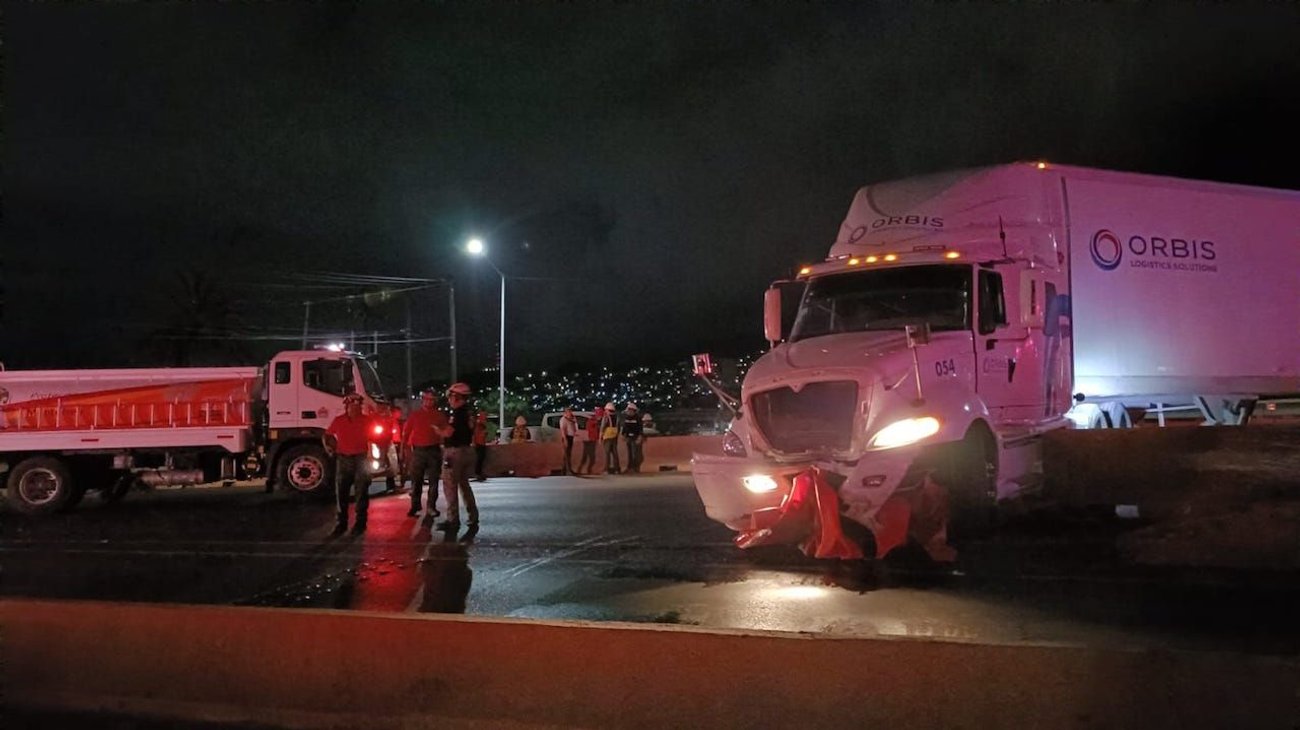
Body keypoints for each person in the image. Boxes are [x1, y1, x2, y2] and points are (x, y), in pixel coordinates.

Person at [323, 393, 373, 536]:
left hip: (361, 459)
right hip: (343, 459)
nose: (355, 408)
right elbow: (327, 435)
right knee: (341, 493)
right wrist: (330, 448)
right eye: (352, 405)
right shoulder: (339, 421)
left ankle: (360, 523)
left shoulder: (366, 421)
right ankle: (341, 524)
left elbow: (375, 438)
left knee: (361, 492)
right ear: (347, 406)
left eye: (358, 406)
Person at [438, 382, 479, 531]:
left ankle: (452, 520)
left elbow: (449, 432)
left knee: (450, 485)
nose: (449, 399)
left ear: (456, 397)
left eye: (451, 396)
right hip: (467, 451)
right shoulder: (469, 412)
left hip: (454, 452)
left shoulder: (457, 414)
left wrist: (437, 431)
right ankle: (473, 515)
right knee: (464, 485)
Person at [402, 390, 449, 518]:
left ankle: (431, 507)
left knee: (433, 481)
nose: (429, 401)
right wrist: (403, 449)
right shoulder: (415, 415)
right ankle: (415, 505)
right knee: (416, 480)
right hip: (418, 451)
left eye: (432, 399)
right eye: (427, 399)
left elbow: (446, 431)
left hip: (434, 450)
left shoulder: (439, 415)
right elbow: (406, 433)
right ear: (423, 400)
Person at [372, 402, 400, 493]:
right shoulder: (374, 417)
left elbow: (392, 428)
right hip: (376, 441)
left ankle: (391, 485)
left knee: (391, 462)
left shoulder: (389, 418)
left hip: (387, 441)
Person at [621, 402, 644, 473]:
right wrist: (623, 435)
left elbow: (640, 429)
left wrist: (639, 437)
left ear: (633, 410)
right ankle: (630, 467)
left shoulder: (638, 418)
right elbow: (625, 427)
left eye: (629, 410)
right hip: (629, 438)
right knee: (630, 454)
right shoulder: (626, 418)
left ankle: (635, 468)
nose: (628, 412)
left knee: (635, 453)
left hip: (635, 437)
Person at [577, 406, 600, 475]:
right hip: (590, 441)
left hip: (589, 440)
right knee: (591, 457)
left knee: (586, 456)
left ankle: (581, 469)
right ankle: (587, 470)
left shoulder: (592, 421)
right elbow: (592, 429)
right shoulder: (592, 421)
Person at [599, 402, 621, 474]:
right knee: (615, 453)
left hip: (607, 437)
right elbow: (618, 427)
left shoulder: (606, 417)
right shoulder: (617, 417)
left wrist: (600, 437)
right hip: (614, 436)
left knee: (607, 453)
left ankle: (606, 469)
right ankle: (617, 469)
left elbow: (602, 427)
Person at [559, 407, 578, 475]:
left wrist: (574, 421)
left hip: (570, 437)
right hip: (566, 437)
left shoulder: (571, 419)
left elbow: (575, 427)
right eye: (569, 412)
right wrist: (565, 439)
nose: (571, 413)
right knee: (567, 454)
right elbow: (563, 430)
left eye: (571, 411)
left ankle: (564, 470)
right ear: (566, 412)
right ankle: (568, 470)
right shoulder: (563, 419)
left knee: (567, 454)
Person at [472, 410, 489, 482]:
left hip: (481, 443)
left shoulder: (481, 424)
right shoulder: (479, 424)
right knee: (480, 459)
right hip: (479, 443)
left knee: (481, 459)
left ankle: (479, 473)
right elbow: (477, 434)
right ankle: (478, 473)